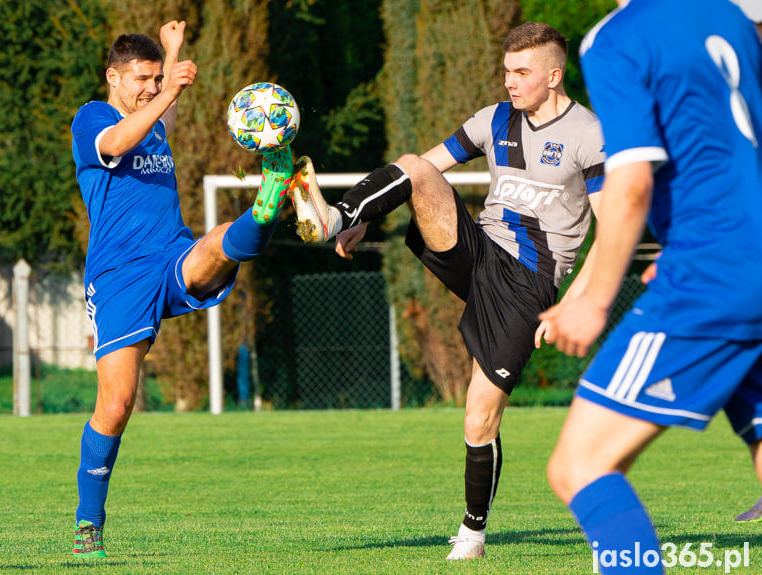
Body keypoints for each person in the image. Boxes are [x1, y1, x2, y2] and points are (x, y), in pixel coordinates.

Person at [291, 21, 605, 559]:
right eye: (506, 70)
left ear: (554, 75)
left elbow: (613, 226)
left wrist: (576, 301)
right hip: (479, 251)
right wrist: (365, 216)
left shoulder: (590, 134)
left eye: (522, 72)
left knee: (479, 414)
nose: (509, 81)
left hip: (529, 285)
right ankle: (334, 216)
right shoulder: (492, 119)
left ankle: (473, 534)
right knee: (413, 165)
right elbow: (423, 170)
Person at [540, 0, 762, 572]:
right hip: (743, 253)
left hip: (714, 274)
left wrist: (593, 301)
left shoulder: (618, 37)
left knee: (580, 466)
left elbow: (632, 183)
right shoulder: (730, 18)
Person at [69, 21, 292, 557]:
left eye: (154, 79)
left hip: (172, 255)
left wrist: (171, 52)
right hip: (119, 277)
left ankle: (267, 202)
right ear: (113, 77)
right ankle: (87, 521)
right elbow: (120, 140)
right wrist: (169, 83)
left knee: (218, 242)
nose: (149, 87)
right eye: (139, 79)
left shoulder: (155, 117)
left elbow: (159, 115)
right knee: (117, 405)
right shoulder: (92, 118)